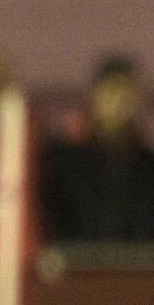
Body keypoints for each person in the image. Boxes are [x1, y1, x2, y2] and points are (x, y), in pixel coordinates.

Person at [40, 55, 154, 243]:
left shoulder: (148, 166)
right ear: (94, 96)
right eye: (111, 92)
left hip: (137, 261)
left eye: (128, 94)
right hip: (77, 260)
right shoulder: (64, 162)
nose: (119, 103)